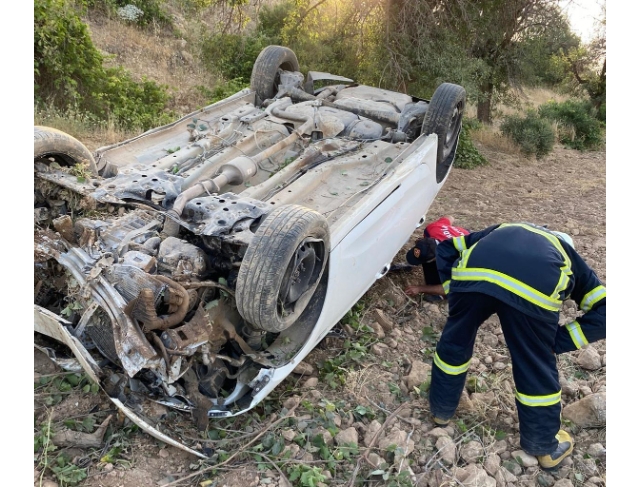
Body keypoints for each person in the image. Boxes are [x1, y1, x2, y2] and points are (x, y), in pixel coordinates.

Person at [428, 222, 606, 470]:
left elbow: (447, 247)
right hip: (533, 291)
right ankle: (544, 447)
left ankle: (441, 410)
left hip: (473, 276)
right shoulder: (568, 256)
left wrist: (454, 291)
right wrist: (556, 341)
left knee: (454, 342)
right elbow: (606, 312)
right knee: (534, 365)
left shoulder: (504, 227)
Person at [403, 215, 470, 299]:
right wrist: (451, 231)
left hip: (480, 259)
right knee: (428, 260)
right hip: (463, 236)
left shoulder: (461, 260)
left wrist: (420, 288)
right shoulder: (432, 229)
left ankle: (440, 295)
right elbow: (450, 217)